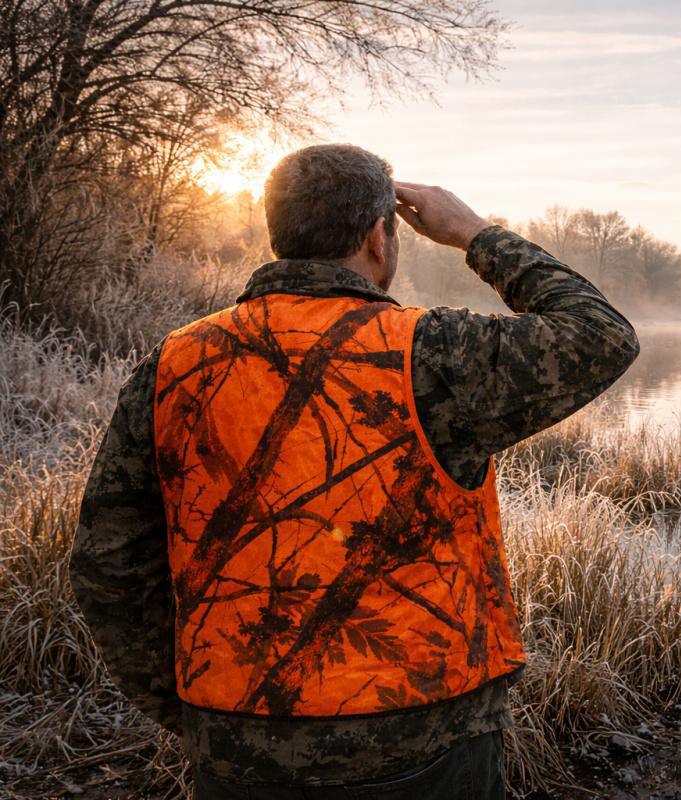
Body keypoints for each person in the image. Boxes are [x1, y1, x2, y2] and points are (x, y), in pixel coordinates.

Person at [70, 143, 640, 799]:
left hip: (234, 741)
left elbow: (108, 559)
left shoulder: (176, 362)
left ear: (279, 233)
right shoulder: (428, 354)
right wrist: (476, 236)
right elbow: (602, 336)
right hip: (423, 744)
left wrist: (191, 708)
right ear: (380, 237)